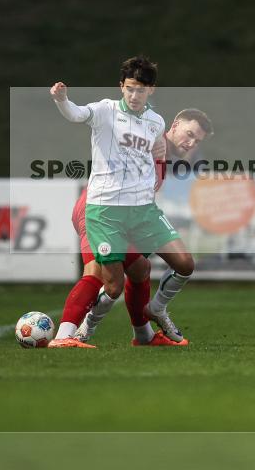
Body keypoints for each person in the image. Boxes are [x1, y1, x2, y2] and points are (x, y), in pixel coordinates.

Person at [47, 56, 196, 348]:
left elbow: (156, 154)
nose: (134, 95)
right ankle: (70, 334)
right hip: (106, 211)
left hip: (142, 212)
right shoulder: (105, 110)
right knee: (112, 285)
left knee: (182, 263)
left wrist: (158, 167)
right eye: (129, 88)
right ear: (121, 87)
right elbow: (76, 114)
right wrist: (62, 99)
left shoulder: (155, 122)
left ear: (150, 90)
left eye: (141, 89)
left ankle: (149, 324)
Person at [71, 108, 213, 345]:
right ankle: (78, 330)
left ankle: (149, 323)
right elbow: (124, 139)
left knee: (147, 268)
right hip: (101, 212)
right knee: (106, 280)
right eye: (189, 134)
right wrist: (150, 143)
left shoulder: (166, 158)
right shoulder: (151, 138)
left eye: (196, 141)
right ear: (175, 125)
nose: (190, 143)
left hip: (132, 216)